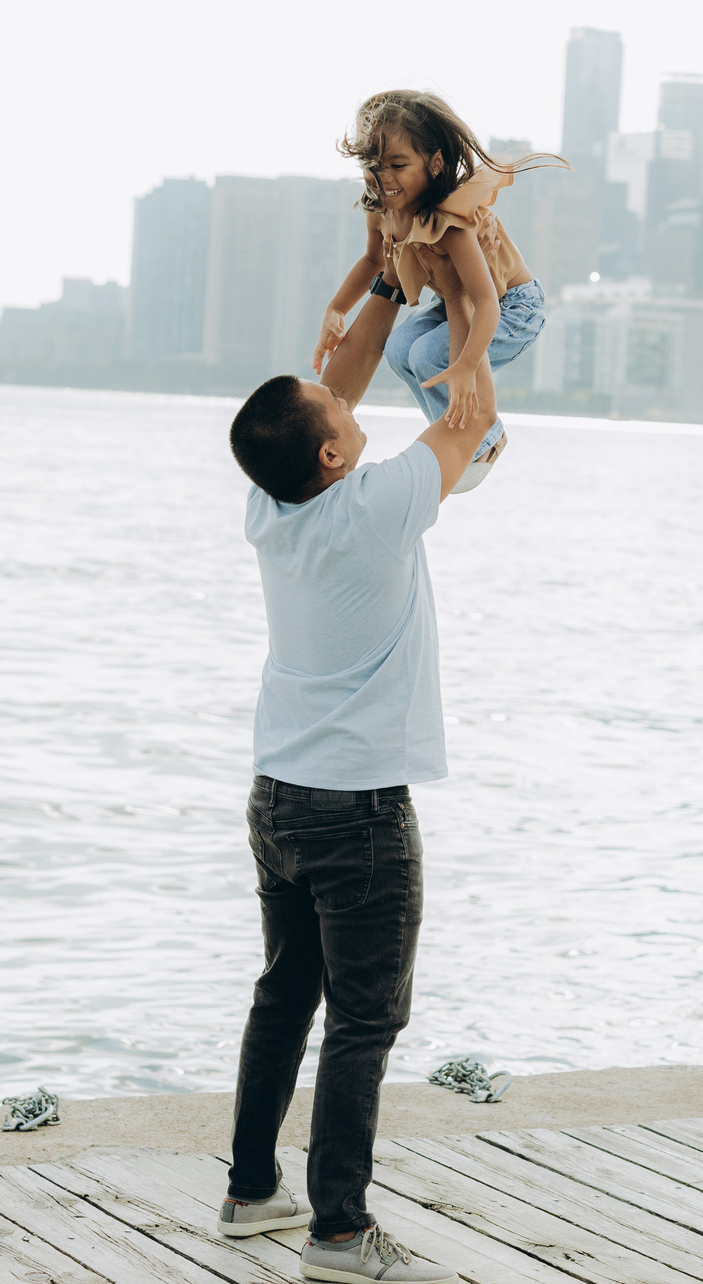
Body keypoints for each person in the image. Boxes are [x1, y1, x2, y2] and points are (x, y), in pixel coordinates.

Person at [218, 339, 497, 1284]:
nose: (342, 396)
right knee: (361, 1024)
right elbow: (471, 414)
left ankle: (251, 1190)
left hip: (277, 799)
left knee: (285, 992)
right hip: (360, 815)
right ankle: (338, 1232)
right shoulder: (379, 509)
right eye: (330, 407)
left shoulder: (271, 504)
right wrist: (474, 298)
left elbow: (335, 384)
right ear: (332, 454)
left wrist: (383, 266)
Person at [312, 90, 561, 495]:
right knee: (399, 347)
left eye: (397, 164)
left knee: (428, 355)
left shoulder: (450, 221)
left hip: (512, 307)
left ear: (435, 164)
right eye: (372, 165)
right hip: (451, 303)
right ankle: (449, 431)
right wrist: (336, 309)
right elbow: (373, 262)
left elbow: (483, 300)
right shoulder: (383, 212)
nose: (383, 177)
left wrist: (466, 365)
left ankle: (481, 437)